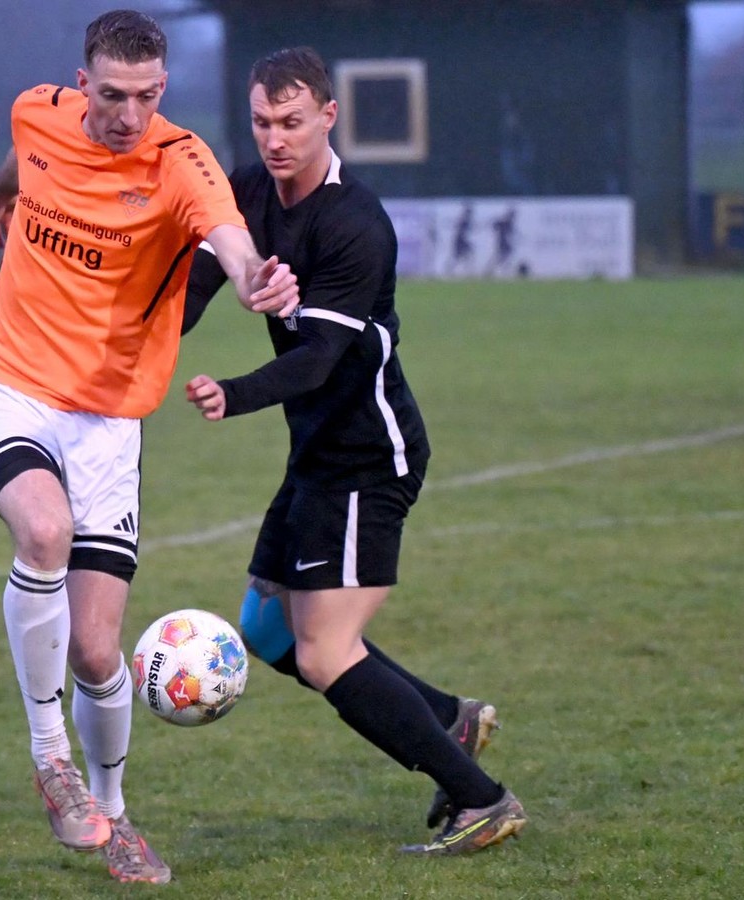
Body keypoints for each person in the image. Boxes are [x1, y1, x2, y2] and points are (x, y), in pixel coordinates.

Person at [0, 9, 299, 885]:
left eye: (147, 96)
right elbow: (22, 154)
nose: (127, 115)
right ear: (83, 85)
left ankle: (111, 817)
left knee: (99, 652)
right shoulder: (35, 111)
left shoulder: (181, 164)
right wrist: (3, 189)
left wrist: (258, 278)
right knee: (42, 532)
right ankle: (51, 760)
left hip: (109, 421)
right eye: (112, 96)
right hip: (14, 387)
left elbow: (228, 238)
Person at [181, 47, 527, 855]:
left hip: (368, 461)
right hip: (315, 457)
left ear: (329, 117)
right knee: (266, 631)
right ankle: (447, 719)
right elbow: (199, 279)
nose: (275, 138)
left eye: (292, 122)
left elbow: (317, 362)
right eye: (263, 121)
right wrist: (139, 348)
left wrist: (233, 392)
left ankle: (483, 799)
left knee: (326, 651)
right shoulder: (249, 192)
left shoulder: (354, 223)